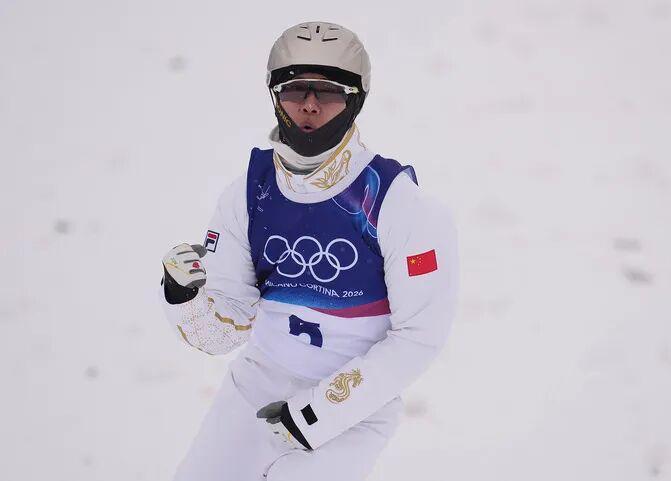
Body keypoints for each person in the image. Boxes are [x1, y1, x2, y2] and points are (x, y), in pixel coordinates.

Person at [159, 21, 459, 481]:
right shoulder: (247, 193)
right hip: (255, 388)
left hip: (355, 409)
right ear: (275, 94)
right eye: (295, 89)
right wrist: (183, 298)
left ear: (356, 99)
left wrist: (319, 413)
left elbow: (419, 337)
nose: (310, 104)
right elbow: (223, 333)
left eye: (330, 91)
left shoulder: (399, 203)